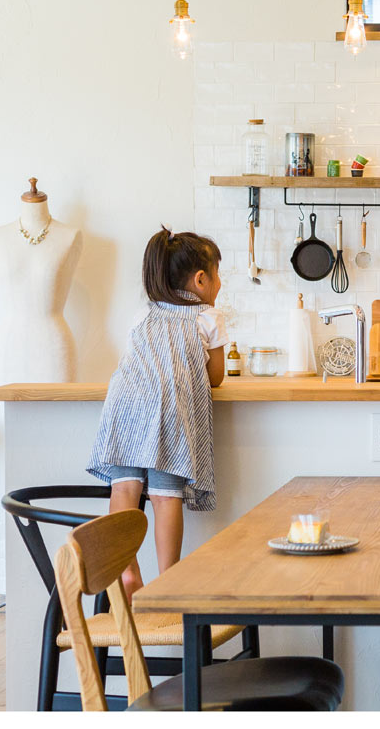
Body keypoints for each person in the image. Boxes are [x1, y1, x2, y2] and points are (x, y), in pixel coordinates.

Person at [87, 227, 227, 597]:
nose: (220, 284)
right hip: (170, 411)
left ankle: (127, 570)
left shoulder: (142, 315)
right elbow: (215, 378)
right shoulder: (207, 318)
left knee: (125, 489)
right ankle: (168, 581)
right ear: (201, 279)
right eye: (218, 275)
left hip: (125, 405)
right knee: (166, 497)